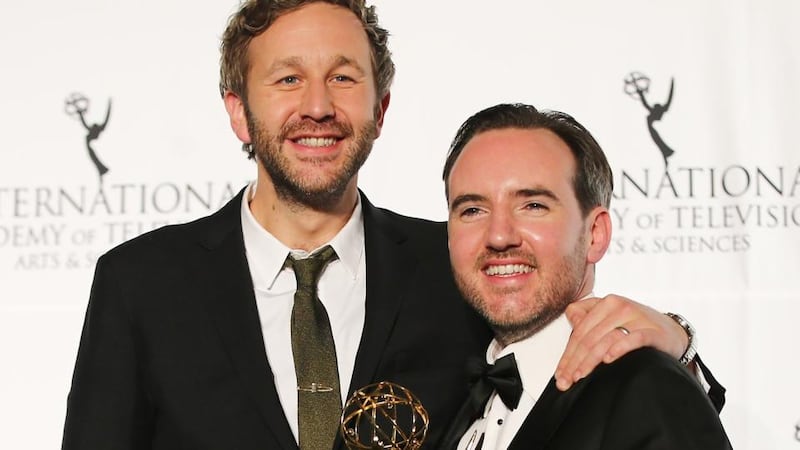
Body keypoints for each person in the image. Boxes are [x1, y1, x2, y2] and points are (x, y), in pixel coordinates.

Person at [61, 2, 718, 449]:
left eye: (343, 79)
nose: (317, 107)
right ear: (238, 111)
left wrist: (678, 343)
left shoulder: (459, 263)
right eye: (288, 79)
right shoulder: (142, 284)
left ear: (381, 107)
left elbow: (582, 389)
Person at [438, 103, 731, 450]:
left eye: (533, 206)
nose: (499, 236)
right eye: (472, 210)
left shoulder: (646, 387)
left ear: (595, 234)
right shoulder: (454, 398)